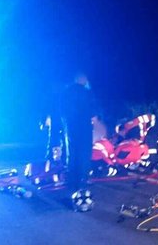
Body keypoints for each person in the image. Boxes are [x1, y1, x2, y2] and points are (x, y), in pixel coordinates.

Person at [59, 72, 98, 211]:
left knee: (72, 154)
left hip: (70, 127)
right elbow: (93, 115)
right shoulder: (87, 93)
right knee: (84, 154)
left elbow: (61, 111)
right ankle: (83, 181)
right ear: (83, 80)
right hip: (84, 128)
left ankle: (72, 181)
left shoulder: (66, 92)